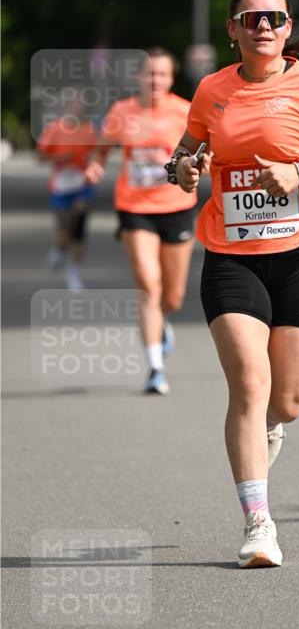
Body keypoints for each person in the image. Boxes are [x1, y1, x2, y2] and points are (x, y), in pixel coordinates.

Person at [167, 0, 299, 568]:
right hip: (231, 254)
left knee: (286, 401)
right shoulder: (213, 90)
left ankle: (269, 434)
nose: (264, 26)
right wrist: (184, 171)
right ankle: (258, 524)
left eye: (275, 17)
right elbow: (183, 155)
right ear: (232, 29)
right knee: (249, 386)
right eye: (251, 17)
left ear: (287, 30)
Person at [85, 47, 195, 394]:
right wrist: (96, 164)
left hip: (176, 206)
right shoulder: (122, 111)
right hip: (134, 207)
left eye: (161, 74)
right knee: (149, 285)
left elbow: (204, 152)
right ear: (139, 77)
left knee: (173, 297)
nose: (155, 80)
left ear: (171, 78)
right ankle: (155, 368)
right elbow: (102, 147)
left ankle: (162, 323)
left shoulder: (185, 111)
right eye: (149, 74)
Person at [37, 91, 98, 291]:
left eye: (80, 104)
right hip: (61, 186)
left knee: (78, 226)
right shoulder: (54, 129)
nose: (77, 108)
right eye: (73, 104)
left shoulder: (89, 130)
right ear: (66, 106)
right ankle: (59, 250)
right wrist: (60, 159)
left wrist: (92, 163)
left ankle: (74, 273)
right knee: (65, 233)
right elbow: (40, 157)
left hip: (82, 185)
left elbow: (97, 155)